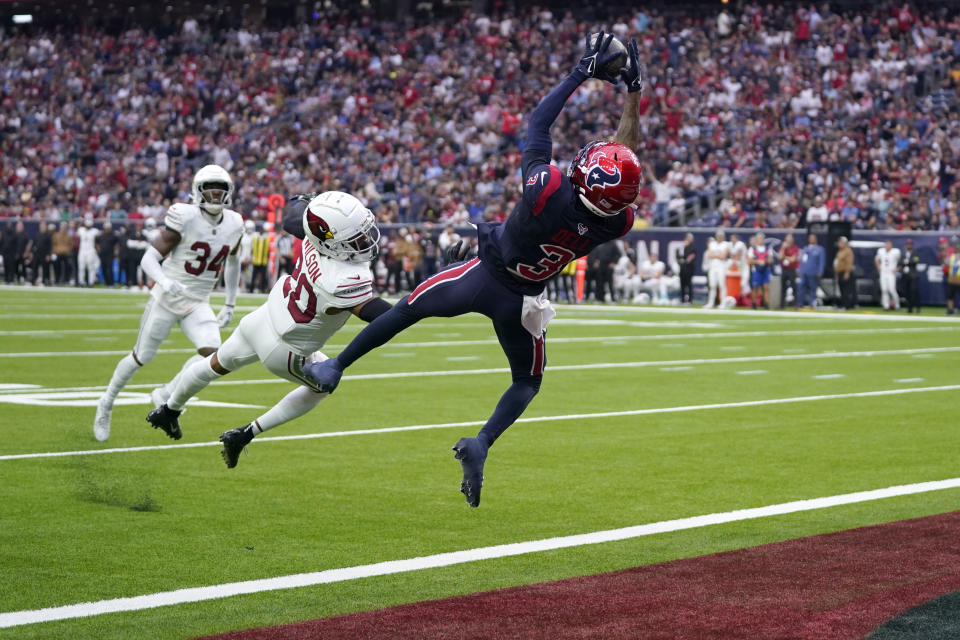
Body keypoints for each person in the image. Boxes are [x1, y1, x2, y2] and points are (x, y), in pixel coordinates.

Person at [301, 32, 644, 508]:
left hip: (484, 276)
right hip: (526, 301)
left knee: (406, 310)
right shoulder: (618, 220)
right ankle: (482, 442)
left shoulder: (547, 189)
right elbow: (625, 166)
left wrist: (579, 73)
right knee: (526, 382)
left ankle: (335, 366)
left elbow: (539, 125)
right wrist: (633, 93)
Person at [145, 191, 391, 464]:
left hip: (260, 320)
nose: (365, 240)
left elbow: (296, 218)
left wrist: (311, 202)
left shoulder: (313, 236)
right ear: (331, 241)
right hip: (287, 349)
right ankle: (244, 434)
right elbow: (383, 317)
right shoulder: (345, 277)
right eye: (355, 237)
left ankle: (169, 410)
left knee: (212, 365)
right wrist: (421, 302)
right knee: (322, 387)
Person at [94, 165, 244, 441]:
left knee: (213, 357)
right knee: (142, 357)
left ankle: (165, 395)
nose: (215, 194)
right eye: (210, 188)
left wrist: (230, 303)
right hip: (166, 299)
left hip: (198, 302)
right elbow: (148, 258)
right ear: (198, 191)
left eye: (221, 188)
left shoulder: (235, 223)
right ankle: (106, 403)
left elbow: (234, 263)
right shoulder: (184, 217)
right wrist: (164, 281)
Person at [798, 233, 825, 309]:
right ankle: (800, 303)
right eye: (810, 238)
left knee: (813, 289)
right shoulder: (805, 248)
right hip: (804, 272)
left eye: (813, 238)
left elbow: (821, 262)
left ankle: (811, 304)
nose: (811, 239)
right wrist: (800, 269)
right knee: (801, 288)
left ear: (816, 239)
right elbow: (801, 261)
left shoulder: (820, 249)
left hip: (813, 272)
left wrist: (820, 272)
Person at [703, 229, 729, 308]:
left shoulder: (725, 244)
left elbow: (722, 256)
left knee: (722, 285)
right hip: (713, 267)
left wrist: (715, 255)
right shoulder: (712, 244)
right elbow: (709, 255)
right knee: (712, 285)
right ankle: (711, 302)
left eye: (721, 236)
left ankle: (723, 303)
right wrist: (717, 254)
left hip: (721, 267)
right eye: (718, 236)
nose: (719, 237)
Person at [747, 233, 773, 309]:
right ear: (757, 240)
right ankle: (754, 304)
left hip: (765, 270)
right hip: (756, 271)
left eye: (762, 239)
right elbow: (749, 261)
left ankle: (766, 304)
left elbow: (771, 260)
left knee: (766, 288)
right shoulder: (752, 249)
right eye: (759, 239)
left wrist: (765, 261)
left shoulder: (768, 249)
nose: (760, 240)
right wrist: (758, 261)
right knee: (755, 288)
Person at [875, 239, 901, 311]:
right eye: (886, 244)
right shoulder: (881, 251)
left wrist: (897, 268)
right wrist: (879, 267)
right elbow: (876, 259)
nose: (887, 246)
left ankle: (897, 305)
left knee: (892, 290)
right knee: (884, 290)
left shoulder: (895, 252)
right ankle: (886, 306)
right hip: (883, 272)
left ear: (891, 245)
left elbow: (901, 261)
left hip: (891, 273)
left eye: (889, 244)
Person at [76, 215, 100, 287]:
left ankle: (91, 282)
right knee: (81, 267)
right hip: (82, 251)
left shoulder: (94, 231)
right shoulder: (81, 230)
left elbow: (98, 237)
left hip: (90, 251)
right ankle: (81, 282)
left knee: (91, 267)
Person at [899, 238, 921, 313]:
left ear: (912, 245)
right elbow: (900, 262)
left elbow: (916, 261)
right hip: (905, 275)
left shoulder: (915, 253)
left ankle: (918, 307)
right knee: (906, 292)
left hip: (913, 275)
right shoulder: (903, 253)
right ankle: (909, 308)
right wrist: (904, 264)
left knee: (914, 291)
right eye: (907, 244)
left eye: (910, 244)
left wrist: (907, 263)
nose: (909, 245)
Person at [834, 236, 855, 310]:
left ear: (845, 243)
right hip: (840, 273)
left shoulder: (848, 251)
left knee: (845, 290)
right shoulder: (840, 251)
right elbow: (837, 263)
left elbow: (849, 263)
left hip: (845, 272)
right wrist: (836, 273)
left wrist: (847, 272)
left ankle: (846, 305)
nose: (839, 243)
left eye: (841, 242)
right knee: (841, 290)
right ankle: (843, 304)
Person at [778, 233, 799, 308]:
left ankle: (795, 304)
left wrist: (785, 257)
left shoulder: (795, 248)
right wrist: (783, 248)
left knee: (794, 287)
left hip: (791, 269)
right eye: (787, 238)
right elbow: (780, 257)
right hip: (784, 269)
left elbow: (793, 259)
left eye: (790, 238)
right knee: (783, 287)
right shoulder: (783, 247)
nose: (788, 240)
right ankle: (781, 305)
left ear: (792, 239)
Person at [248, 223, 270, 293]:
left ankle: (263, 289)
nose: (261, 230)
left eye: (262, 229)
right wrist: (251, 257)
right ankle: (251, 289)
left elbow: (268, 250)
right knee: (253, 277)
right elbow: (252, 249)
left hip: (263, 261)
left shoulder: (266, 238)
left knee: (263, 276)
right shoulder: (255, 238)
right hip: (256, 260)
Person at [97, 221, 119, 286]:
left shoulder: (113, 236)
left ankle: (111, 283)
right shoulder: (101, 235)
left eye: (108, 228)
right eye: (106, 228)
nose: (107, 229)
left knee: (110, 268)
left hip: (110, 254)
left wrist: (116, 252)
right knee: (103, 268)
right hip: (102, 254)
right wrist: (98, 250)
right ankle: (106, 282)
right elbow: (97, 243)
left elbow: (116, 245)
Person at [677, 233, 696, 305]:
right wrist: (680, 261)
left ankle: (690, 300)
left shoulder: (692, 248)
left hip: (689, 269)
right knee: (682, 285)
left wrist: (684, 261)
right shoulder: (682, 248)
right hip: (682, 269)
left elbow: (690, 257)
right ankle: (682, 300)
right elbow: (678, 256)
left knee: (689, 284)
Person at [31, 221, 53, 286]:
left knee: (44, 268)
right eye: (41, 225)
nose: (42, 227)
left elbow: (50, 246)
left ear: (46, 227)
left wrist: (48, 255)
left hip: (44, 254)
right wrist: (32, 252)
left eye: (43, 225)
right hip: (36, 253)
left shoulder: (48, 235)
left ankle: (43, 282)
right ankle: (33, 281)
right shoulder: (37, 234)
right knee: (34, 267)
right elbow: (33, 244)